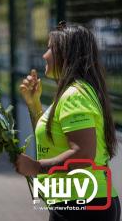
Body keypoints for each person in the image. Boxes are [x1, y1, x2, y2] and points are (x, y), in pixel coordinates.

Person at [15, 21, 120, 221]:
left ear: (66, 54)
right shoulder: (75, 90)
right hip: (77, 202)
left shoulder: (75, 95)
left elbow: (83, 154)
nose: (44, 55)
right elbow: (52, 139)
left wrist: (37, 167)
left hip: (83, 205)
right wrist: (34, 104)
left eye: (49, 48)